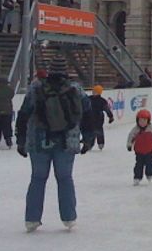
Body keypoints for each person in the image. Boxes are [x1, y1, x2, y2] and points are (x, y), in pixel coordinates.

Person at [15, 54, 94, 232]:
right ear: (66, 71)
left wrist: (21, 139)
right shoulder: (76, 89)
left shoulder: (35, 88)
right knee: (65, 178)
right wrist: (89, 137)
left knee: (37, 178)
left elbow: (23, 114)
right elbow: (88, 114)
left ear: (50, 70)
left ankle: (32, 219)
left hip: (39, 141)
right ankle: (69, 217)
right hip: (67, 141)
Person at [126, 109, 152, 186]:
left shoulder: (151, 129)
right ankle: (137, 177)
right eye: (140, 120)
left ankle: (149, 174)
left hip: (149, 150)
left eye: (144, 120)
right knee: (139, 164)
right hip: (139, 151)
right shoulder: (136, 130)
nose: (142, 122)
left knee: (149, 163)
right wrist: (129, 145)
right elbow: (130, 137)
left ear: (148, 121)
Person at [89, 85, 114, 150]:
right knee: (90, 131)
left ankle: (101, 143)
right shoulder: (89, 98)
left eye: (95, 91)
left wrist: (110, 117)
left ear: (99, 92)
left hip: (98, 118)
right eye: (93, 91)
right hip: (90, 117)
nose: (93, 92)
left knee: (99, 131)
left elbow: (107, 109)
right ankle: (89, 144)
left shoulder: (102, 101)